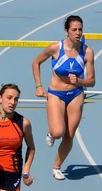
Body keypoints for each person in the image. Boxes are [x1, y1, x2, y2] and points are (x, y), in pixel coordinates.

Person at [32, 15, 95, 181]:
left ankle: (56, 166)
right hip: (56, 93)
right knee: (58, 131)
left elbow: (92, 81)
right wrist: (39, 86)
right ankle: (51, 133)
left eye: (80, 29)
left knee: (69, 134)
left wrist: (80, 81)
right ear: (67, 31)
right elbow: (36, 62)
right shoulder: (55, 48)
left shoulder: (87, 51)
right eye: (74, 29)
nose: (78, 32)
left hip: (76, 93)